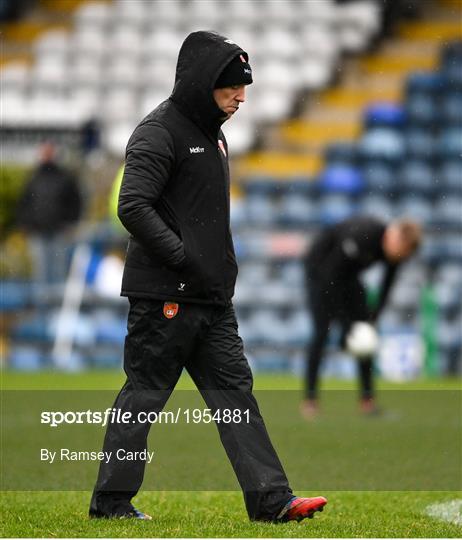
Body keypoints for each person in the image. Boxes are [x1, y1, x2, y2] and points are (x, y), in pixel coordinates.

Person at [89, 31, 327, 523]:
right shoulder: (158, 132)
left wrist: (214, 272)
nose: (242, 96)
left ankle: (272, 502)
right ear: (204, 83)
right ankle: (111, 504)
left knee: (237, 398)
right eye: (234, 87)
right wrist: (182, 257)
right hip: (164, 298)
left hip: (211, 299)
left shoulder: (214, 134)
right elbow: (132, 205)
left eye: (245, 87)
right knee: (145, 397)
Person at [301, 216, 422, 418]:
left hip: (347, 276)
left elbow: (386, 286)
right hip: (320, 273)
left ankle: (367, 401)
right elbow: (331, 277)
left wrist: (372, 319)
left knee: (365, 330)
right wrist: (346, 325)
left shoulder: (396, 252)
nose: (401, 258)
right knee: (322, 332)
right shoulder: (364, 235)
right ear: (396, 237)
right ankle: (310, 401)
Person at [16, 142, 82, 285]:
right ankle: (43, 306)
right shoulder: (33, 178)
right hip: (38, 232)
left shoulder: (64, 177)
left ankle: (57, 305)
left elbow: (76, 201)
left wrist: (70, 223)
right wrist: (26, 224)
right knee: (40, 272)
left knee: (59, 270)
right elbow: (24, 203)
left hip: (59, 232)